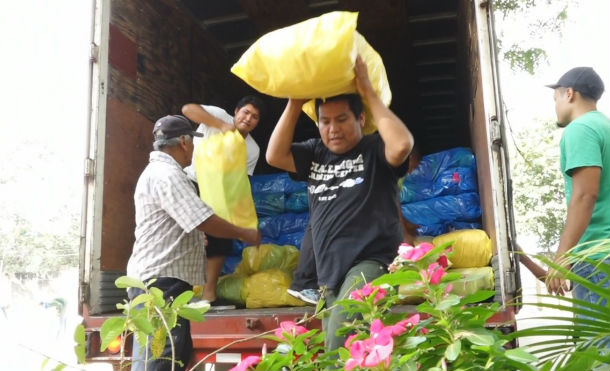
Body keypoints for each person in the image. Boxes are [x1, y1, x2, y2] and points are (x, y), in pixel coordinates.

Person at [266, 55, 414, 351]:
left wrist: (368, 92)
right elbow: (274, 155)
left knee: (340, 341)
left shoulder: (374, 148)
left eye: (342, 119)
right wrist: (294, 103)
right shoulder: (315, 152)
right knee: (348, 350)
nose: (333, 128)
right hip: (330, 272)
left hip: (374, 263)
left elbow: (402, 145)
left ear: (360, 119)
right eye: (325, 121)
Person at [126, 115, 261, 371]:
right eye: (194, 143)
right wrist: (245, 233)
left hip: (160, 281)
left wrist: (197, 236)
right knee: (161, 359)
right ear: (185, 142)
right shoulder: (168, 174)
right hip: (159, 285)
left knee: (172, 354)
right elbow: (203, 218)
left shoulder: (161, 172)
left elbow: (180, 220)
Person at [287, 148, 422, 305]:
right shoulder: (382, 161)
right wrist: (404, 232)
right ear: (408, 156)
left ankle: (311, 283)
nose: (412, 170)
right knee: (320, 225)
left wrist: (406, 225)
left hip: (346, 200)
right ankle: (304, 283)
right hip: (340, 197)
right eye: (414, 165)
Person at [182, 96, 265, 305]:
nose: (248, 118)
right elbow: (188, 108)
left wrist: (241, 219)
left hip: (221, 195)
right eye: (246, 112)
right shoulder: (219, 115)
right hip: (193, 183)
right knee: (186, 237)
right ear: (236, 111)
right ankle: (181, 294)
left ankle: (208, 295)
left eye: (255, 117)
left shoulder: (252, 149)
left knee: (221, 239)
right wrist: (221, 125)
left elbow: (241, 183)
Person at [544, 67, 609, 310]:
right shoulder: (604, 126)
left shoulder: (580, 129)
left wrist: (562, 256)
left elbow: (585, 194)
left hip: (597, 256)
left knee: (600, 346)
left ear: (569, 93)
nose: (556, 106)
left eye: (556, 98)